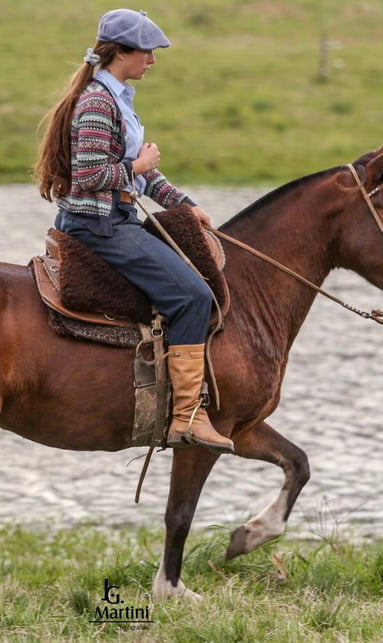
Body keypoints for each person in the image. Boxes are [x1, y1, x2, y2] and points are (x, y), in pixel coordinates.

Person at [34, 9, 234, 454]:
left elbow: (143, 178)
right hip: (99, 226)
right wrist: (136, 166)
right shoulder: (97, 102)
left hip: (117, 217)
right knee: (195, 296)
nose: (153, 61)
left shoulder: (117, 98)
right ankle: (187, 416)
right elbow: (88, 176)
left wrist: (185, 205)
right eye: (147, 52)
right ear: (121, 52)